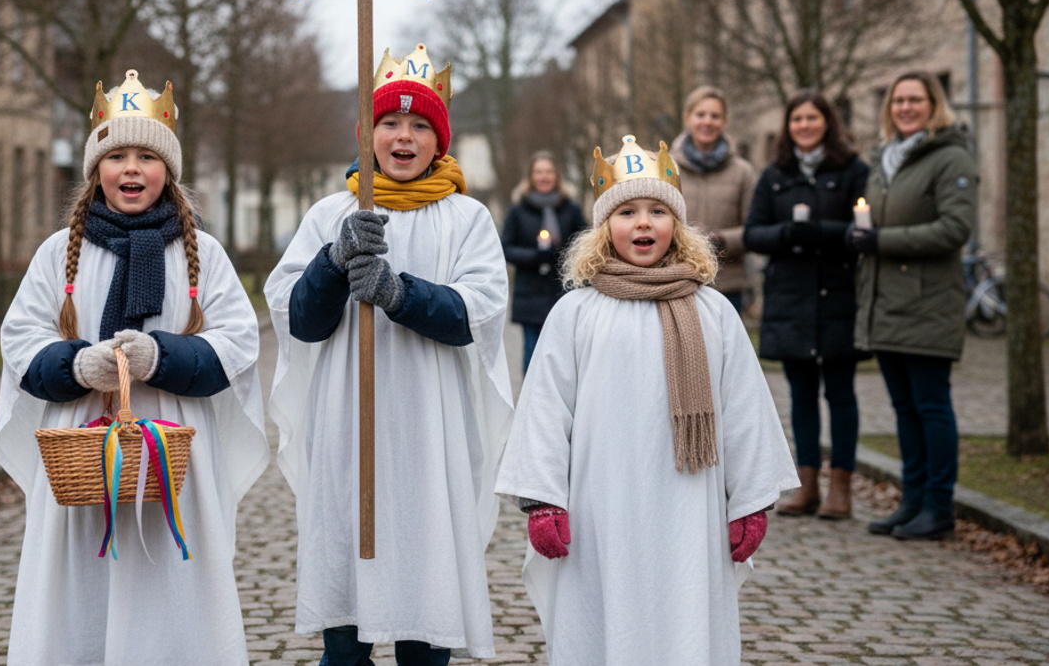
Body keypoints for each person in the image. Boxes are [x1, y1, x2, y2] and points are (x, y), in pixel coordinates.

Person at [0, 70, 268, 666]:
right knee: (79, 590)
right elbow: (21, 339)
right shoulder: (57, 254)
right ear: (96, 170)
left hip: (174, 453)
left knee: (169, 588)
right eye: (116, 156)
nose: (132, 169)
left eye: (147, 156)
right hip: (80, 447)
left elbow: (237, 341)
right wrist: (77, 364)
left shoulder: (202, 256)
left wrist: (161, 356)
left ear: (168, 169)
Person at [494, 134, 798, 666]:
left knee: (685, 611)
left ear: (676, 224)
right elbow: (546, 408)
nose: (643, 223)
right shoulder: (576, 313)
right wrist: (543, 499)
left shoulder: (712, 311)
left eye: (658, 211)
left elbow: (744, 408)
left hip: (690, 503)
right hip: (600, 504)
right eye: (627, 211)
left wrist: (751, 499)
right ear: (604, 226)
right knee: (602, 611)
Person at [265, 45, 513, 664]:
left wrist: (400, 294)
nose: (404, 136)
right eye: (390, 122)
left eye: (420, 124)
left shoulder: (467, 218)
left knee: (425, 598)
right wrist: (332, 261)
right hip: (347, 425)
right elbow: (299, 319)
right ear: (366, 133)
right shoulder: (331, 214)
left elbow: (478, 312)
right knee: (346, 602)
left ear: (440, 140)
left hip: (430, 428)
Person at [848, 71, 977, 541]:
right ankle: (913, 500)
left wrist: (881, 240)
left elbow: (955, 228)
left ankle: (938, 507)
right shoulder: (886, 157)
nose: (905, 107)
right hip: (886, 303)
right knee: (904, 408)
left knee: (931, 406)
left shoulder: (951, 156)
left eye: (915, 99)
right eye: (898, 100)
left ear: (933, 103)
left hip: (927, 304)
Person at [744, 90, 869, 520]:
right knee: (801, 396)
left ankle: (841, 487)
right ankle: (808, 483)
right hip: (791, 298)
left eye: (812, 118)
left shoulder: (852, 170)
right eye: (797, 119)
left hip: (837, 294)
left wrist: (821, 232)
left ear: (827, 122)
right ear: (788, 126)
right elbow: (754, 232)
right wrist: (786, 235)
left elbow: (863, 226)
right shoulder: (775, 174)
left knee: (841, 393)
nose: (805, 126)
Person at [669, 86, 759, 313]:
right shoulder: (667, 169)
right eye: (700, 114)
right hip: (676, 280)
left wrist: (721, 241)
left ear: (724, 121)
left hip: (727, 285)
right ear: (687, 118)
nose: (707, 122)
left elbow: (754, 228)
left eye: (715, 116)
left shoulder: (743, 172)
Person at [501, 151, 588, 372]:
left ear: (557, 175)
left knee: (563, 351)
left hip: (562, 290)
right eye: (539, 172)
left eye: (549, 171)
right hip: (530, 293)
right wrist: (535, 256)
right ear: (530, 176)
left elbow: (585, 242)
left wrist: (560, 254)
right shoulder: (518, 210)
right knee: (532, 352)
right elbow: (506, 248)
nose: (544, 176)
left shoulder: (570, 208)